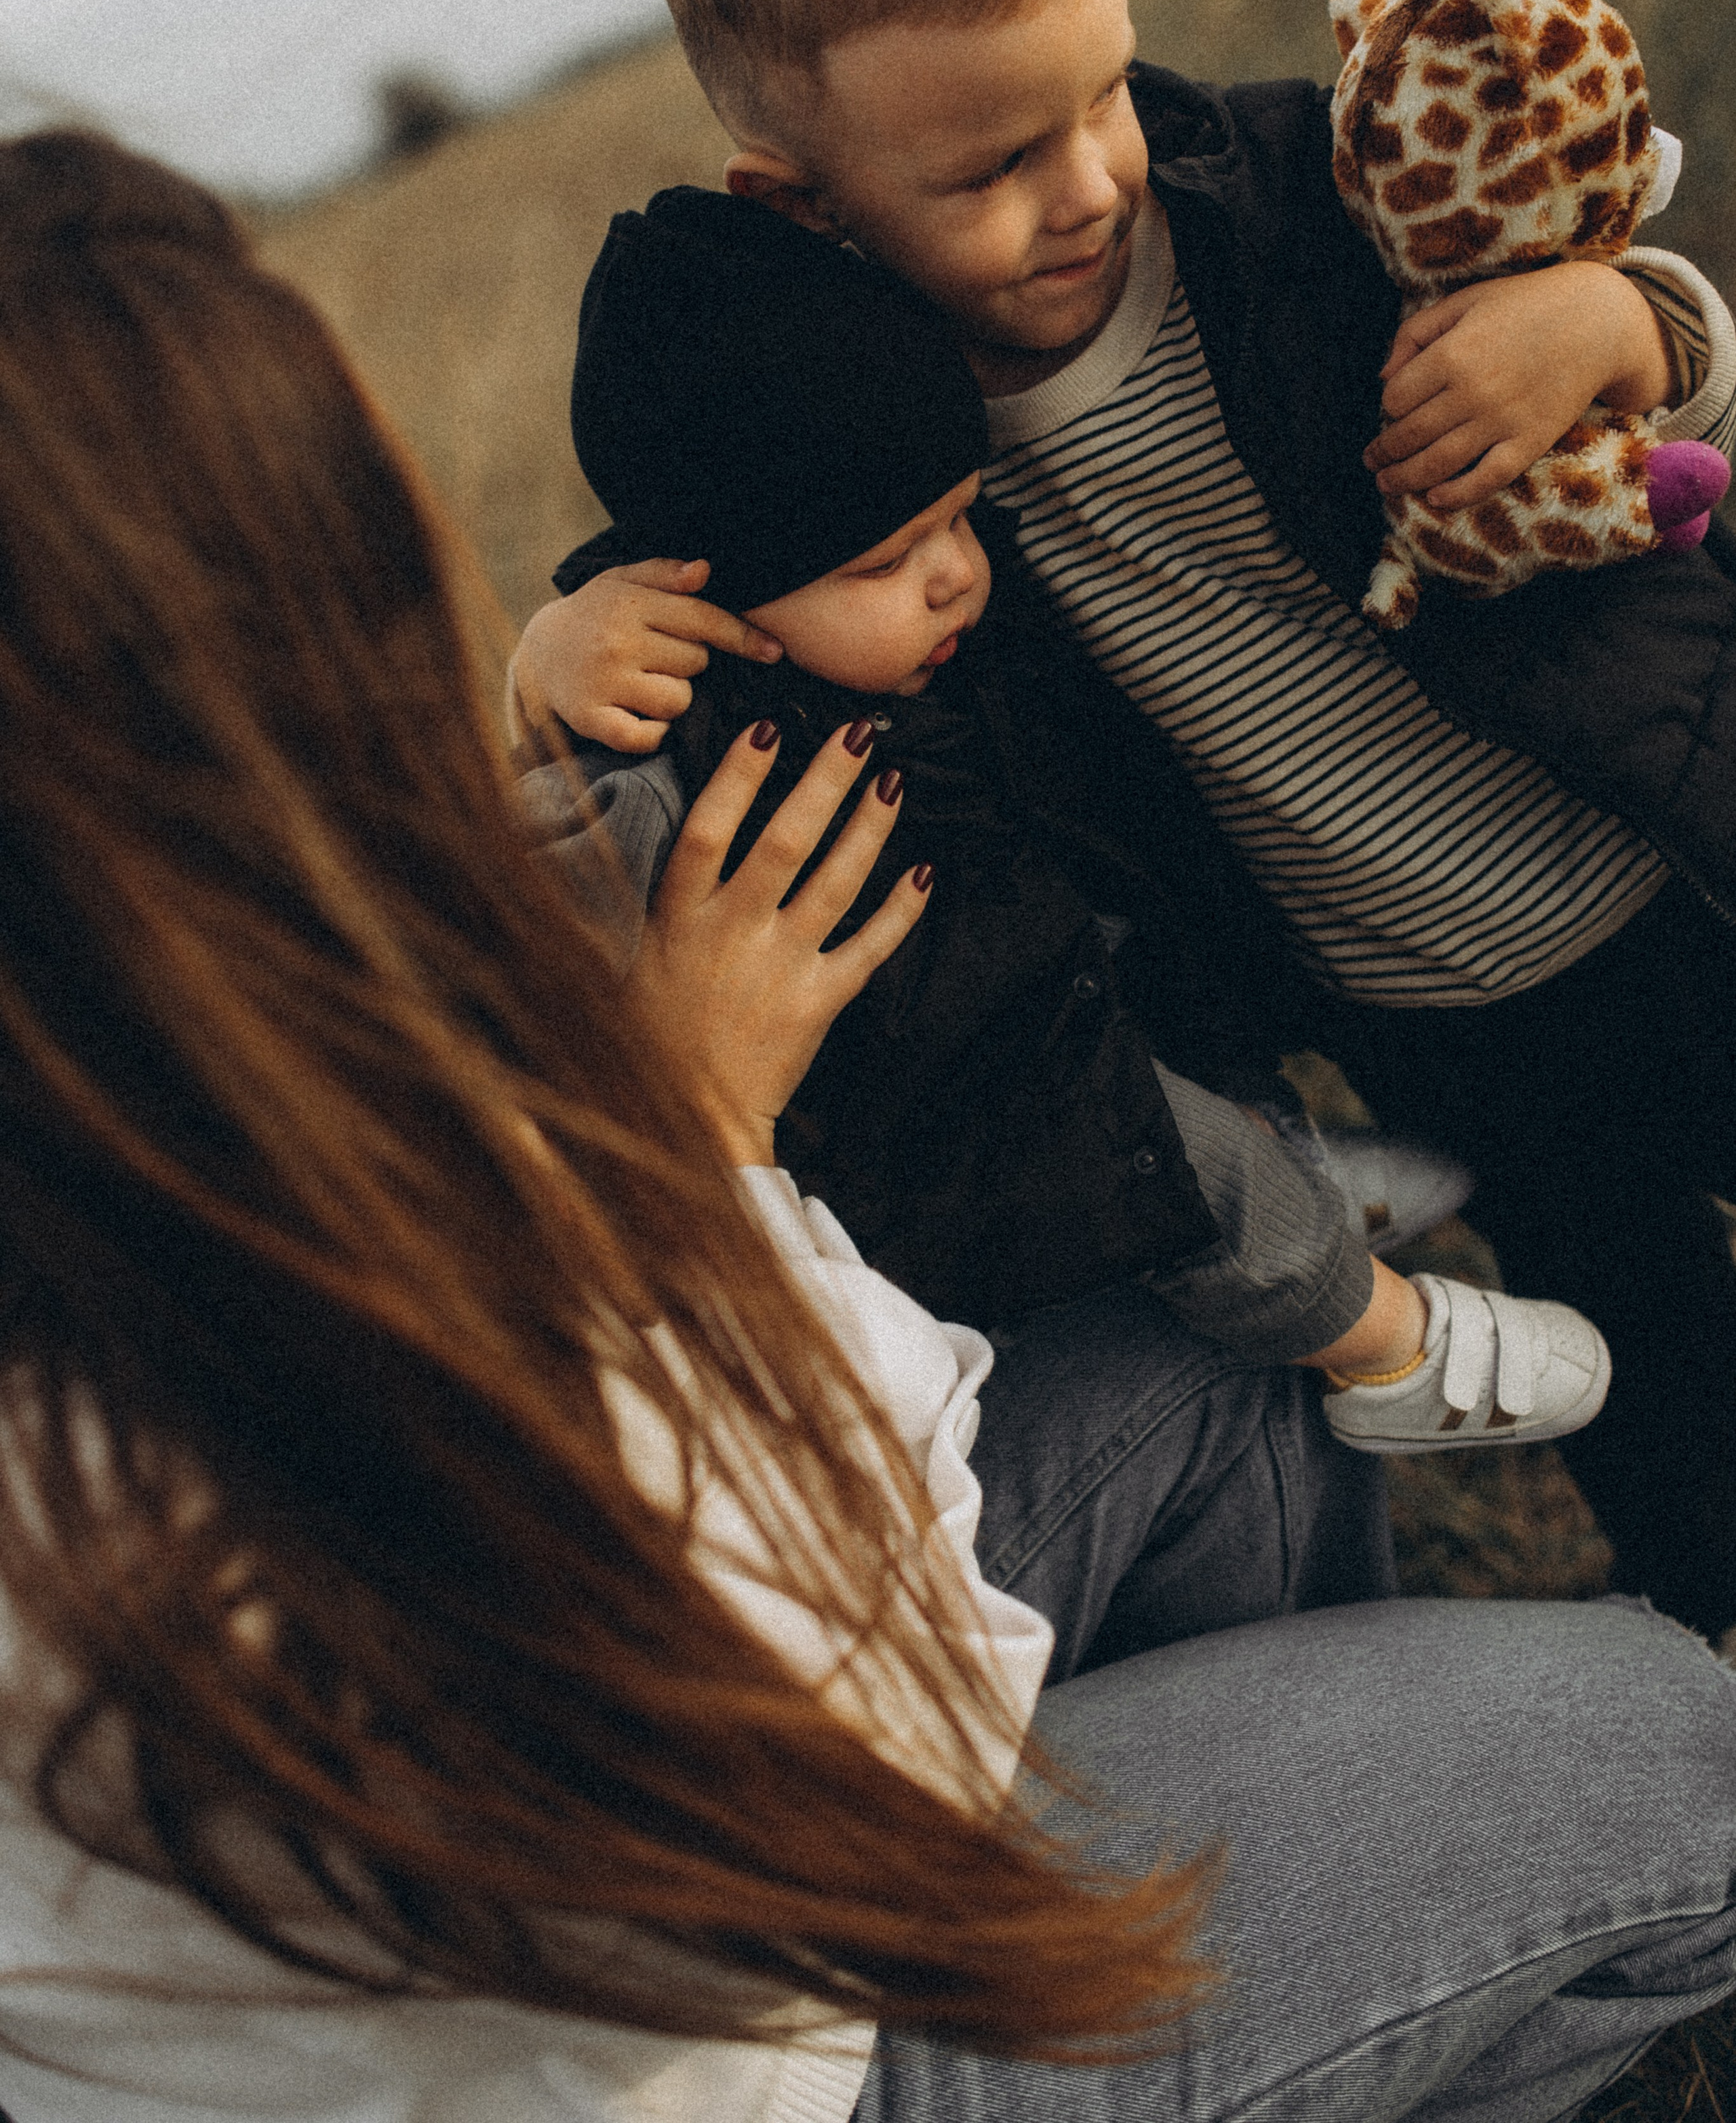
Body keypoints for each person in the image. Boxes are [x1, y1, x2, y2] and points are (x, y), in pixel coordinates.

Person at [3, 134, 1736, 2122]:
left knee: (1198, 1369)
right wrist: (703, 1151)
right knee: (1673, 1751)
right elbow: (798, 1802)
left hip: (654, 1840)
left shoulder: (135, 1063)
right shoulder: (121, 1400)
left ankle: (1342, 1911)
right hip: (743, 2032)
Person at [514, 0, 1736, 1642]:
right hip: (1401, 994)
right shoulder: (860, 421)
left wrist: (1625, 326)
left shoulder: (1297, 201)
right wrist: (564, 633)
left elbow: (1633, 344)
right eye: (993, 165)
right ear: (807, 208)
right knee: (1655, 1346)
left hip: (1664, 837)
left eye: (1097, 94)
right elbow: (725, 544)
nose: (1088, 180)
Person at [524, 176, 1606, 1459]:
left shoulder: (893, 643)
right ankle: (1389, 1354)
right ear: (708, 588)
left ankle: (1292, 1180)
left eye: (957, 520)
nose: (950, 577)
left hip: (1041, 983)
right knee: (1145, 1142)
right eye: (880, 563)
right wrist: (542, 700)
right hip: (941, 1114)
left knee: (1161, 988)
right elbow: (536, 938)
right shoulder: (660, 748)